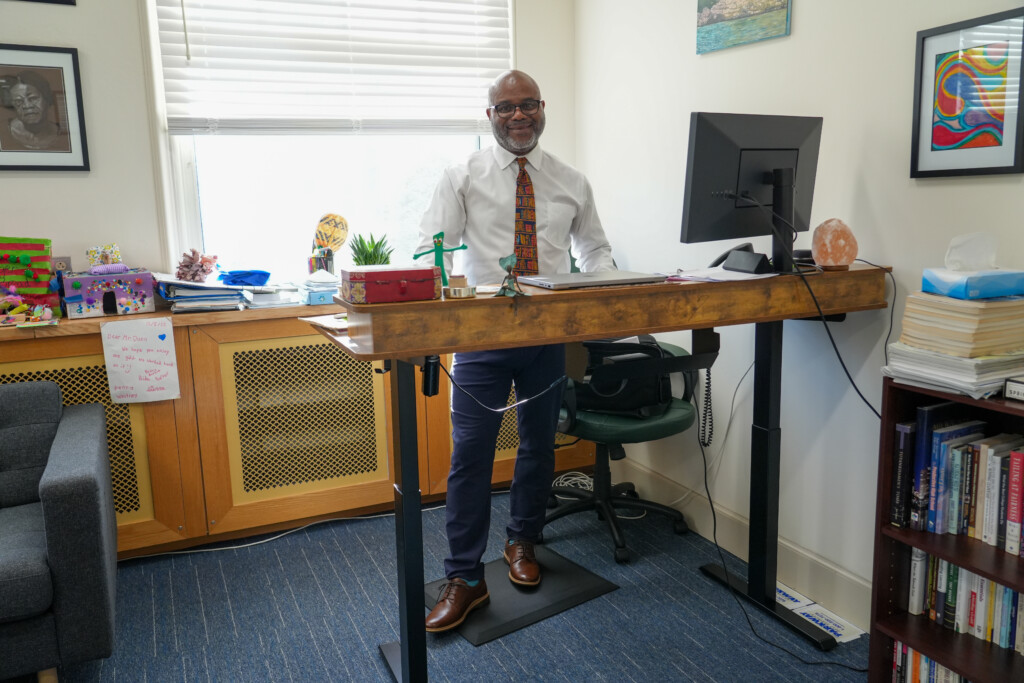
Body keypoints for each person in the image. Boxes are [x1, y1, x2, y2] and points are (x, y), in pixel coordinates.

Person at [417, 69, 615, 632]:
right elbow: (433, 249)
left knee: (538, 447)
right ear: (490, 116)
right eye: (506, 108)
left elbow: (594, 247)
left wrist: (605, 289)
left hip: (548, 337)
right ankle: (465, 578)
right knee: (471, 457)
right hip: (482, 340)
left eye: (527, 105)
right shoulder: (463, 177)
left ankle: (523, 541)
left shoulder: (570, 179)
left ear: (542, 108)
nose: (518, 115)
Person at [2, 71, 66, 151]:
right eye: (18, 101)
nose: (27, 106)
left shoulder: (64, 134)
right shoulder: (2, 132)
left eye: (33, 98)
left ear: (47, 98)